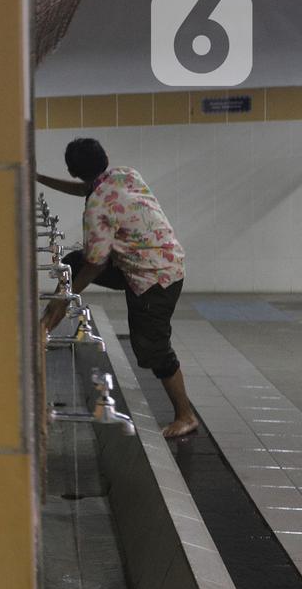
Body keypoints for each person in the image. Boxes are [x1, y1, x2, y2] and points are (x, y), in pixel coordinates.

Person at [38, 138, 198, 438]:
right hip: (162, 259)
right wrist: (38, 178)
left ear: (73, 171)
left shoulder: (97, 208)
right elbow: (87, 189)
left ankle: (186, 415)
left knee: (152, 347)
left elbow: (96, 265)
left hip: (153, 277)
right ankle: (47, 325)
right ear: (105, 157)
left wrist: (64, 298)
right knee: (72, 261)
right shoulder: (124, 175)